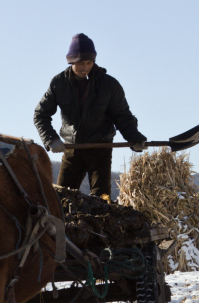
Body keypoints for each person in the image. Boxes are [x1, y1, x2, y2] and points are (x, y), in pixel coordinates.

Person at [33, 33, 147, 199]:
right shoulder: (59, 83)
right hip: (72, 149)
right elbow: (40, 114)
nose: (84, 67)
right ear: (71, 61)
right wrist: (51, 139)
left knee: (102, 199)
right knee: (61, 199)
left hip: (100, 148)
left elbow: (122, 117)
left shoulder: (109, 85)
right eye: (80, 63)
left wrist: (135, 138)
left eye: (89, 63)